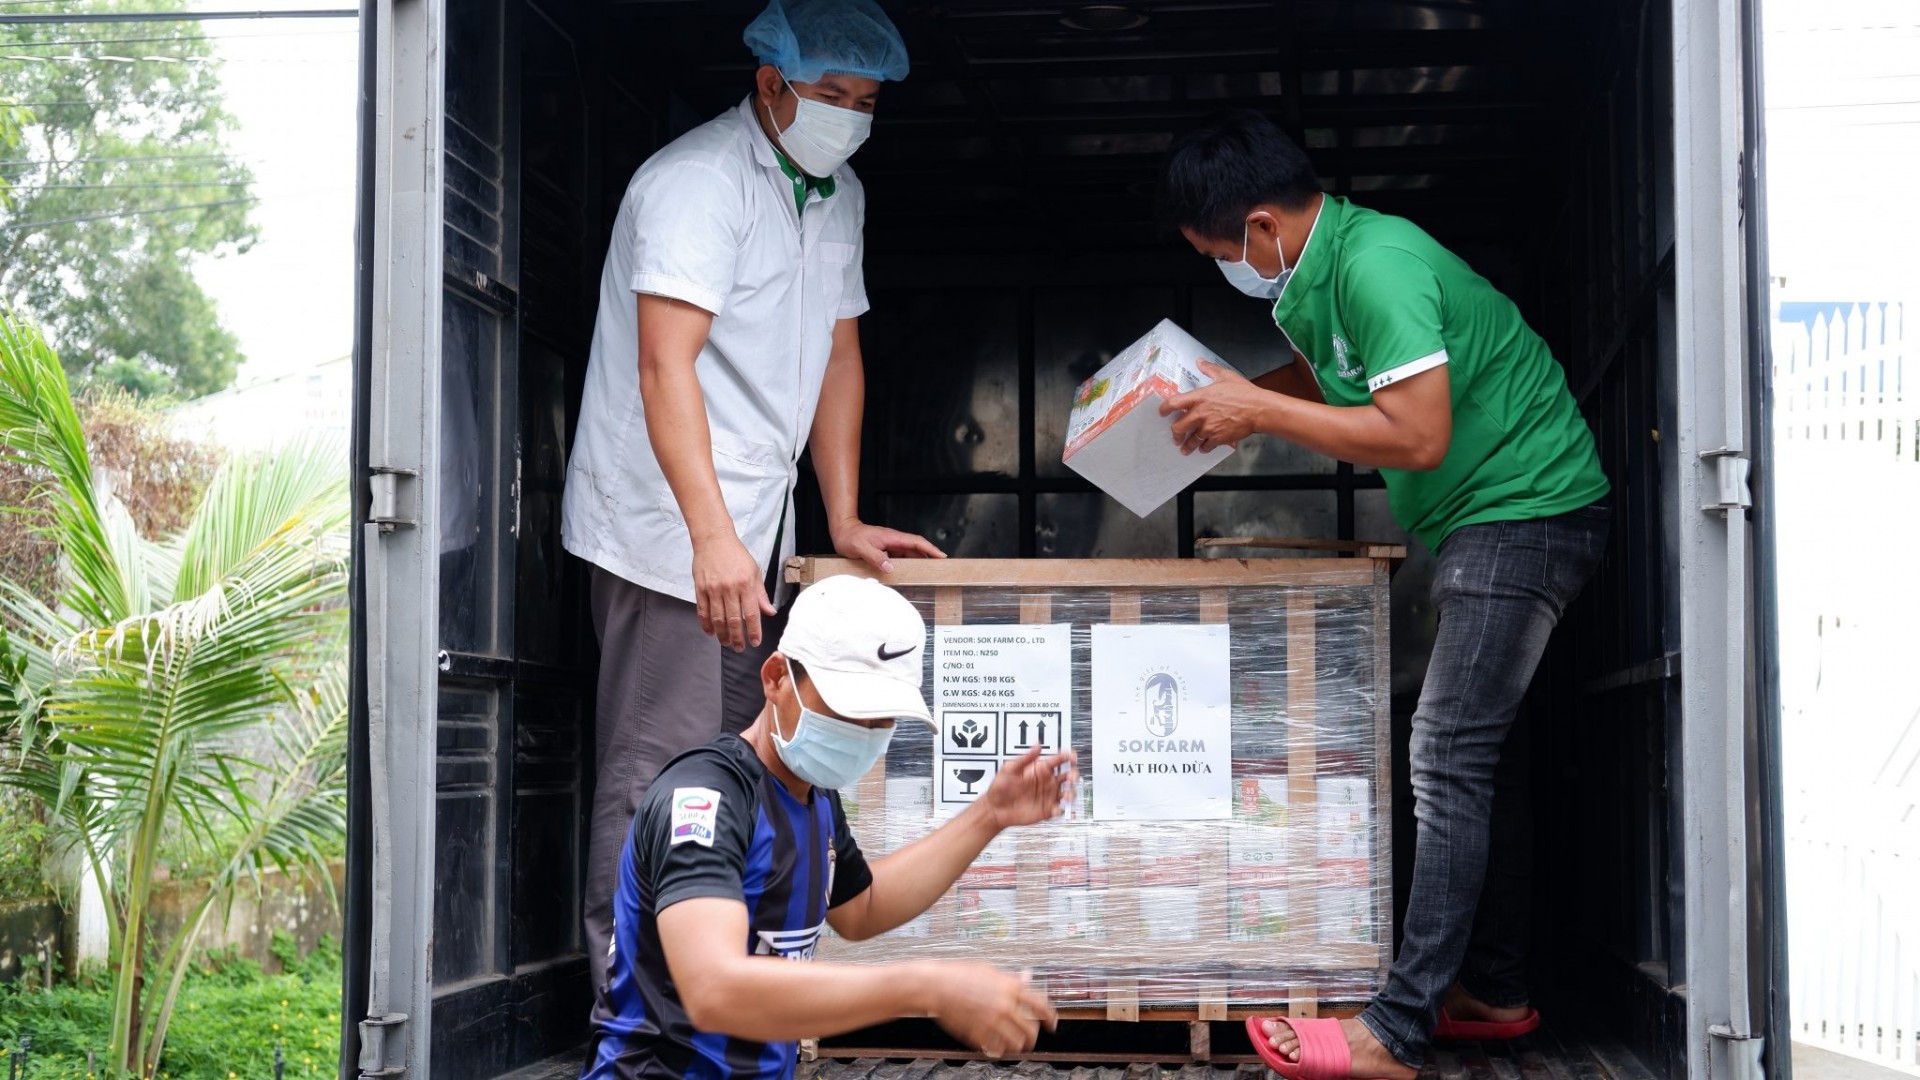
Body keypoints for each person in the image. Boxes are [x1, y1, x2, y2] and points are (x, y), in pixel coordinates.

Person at [1154, 110, 1612, 1080]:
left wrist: (1258, 410)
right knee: (1485, 754)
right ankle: (1492, 986)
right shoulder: (1321, 276)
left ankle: (1396, 1031)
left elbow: (1417, 436)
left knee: (1443, 753)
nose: (1222, 269)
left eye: (1217, 252)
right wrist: (1229, 407)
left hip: (1525, 511)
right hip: (1494, 518)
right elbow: (1330, 382)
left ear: (1263, 229)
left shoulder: (1377, 268)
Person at [560, 0, 944, 993]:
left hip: (757, 531)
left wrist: (844, 516)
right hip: (669, 533)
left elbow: (840, 355)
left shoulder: (837, 193)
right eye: (833, 97)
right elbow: (663, 365)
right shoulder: (695, 184)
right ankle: (635, 1007)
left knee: (750, 763)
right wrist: (711, 539)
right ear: (771, 84)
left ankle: (734, 995)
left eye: (867, 103)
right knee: (661, 768)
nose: (852, 118)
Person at [582, 575, 1078, 1079]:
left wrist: (988, 815)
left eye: (882, 719)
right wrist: (929, 987)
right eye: (847, 710)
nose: (863, 735)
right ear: (776, 677)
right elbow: (714, 991)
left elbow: (861, 908)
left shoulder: (814, 797)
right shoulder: (705, 801)